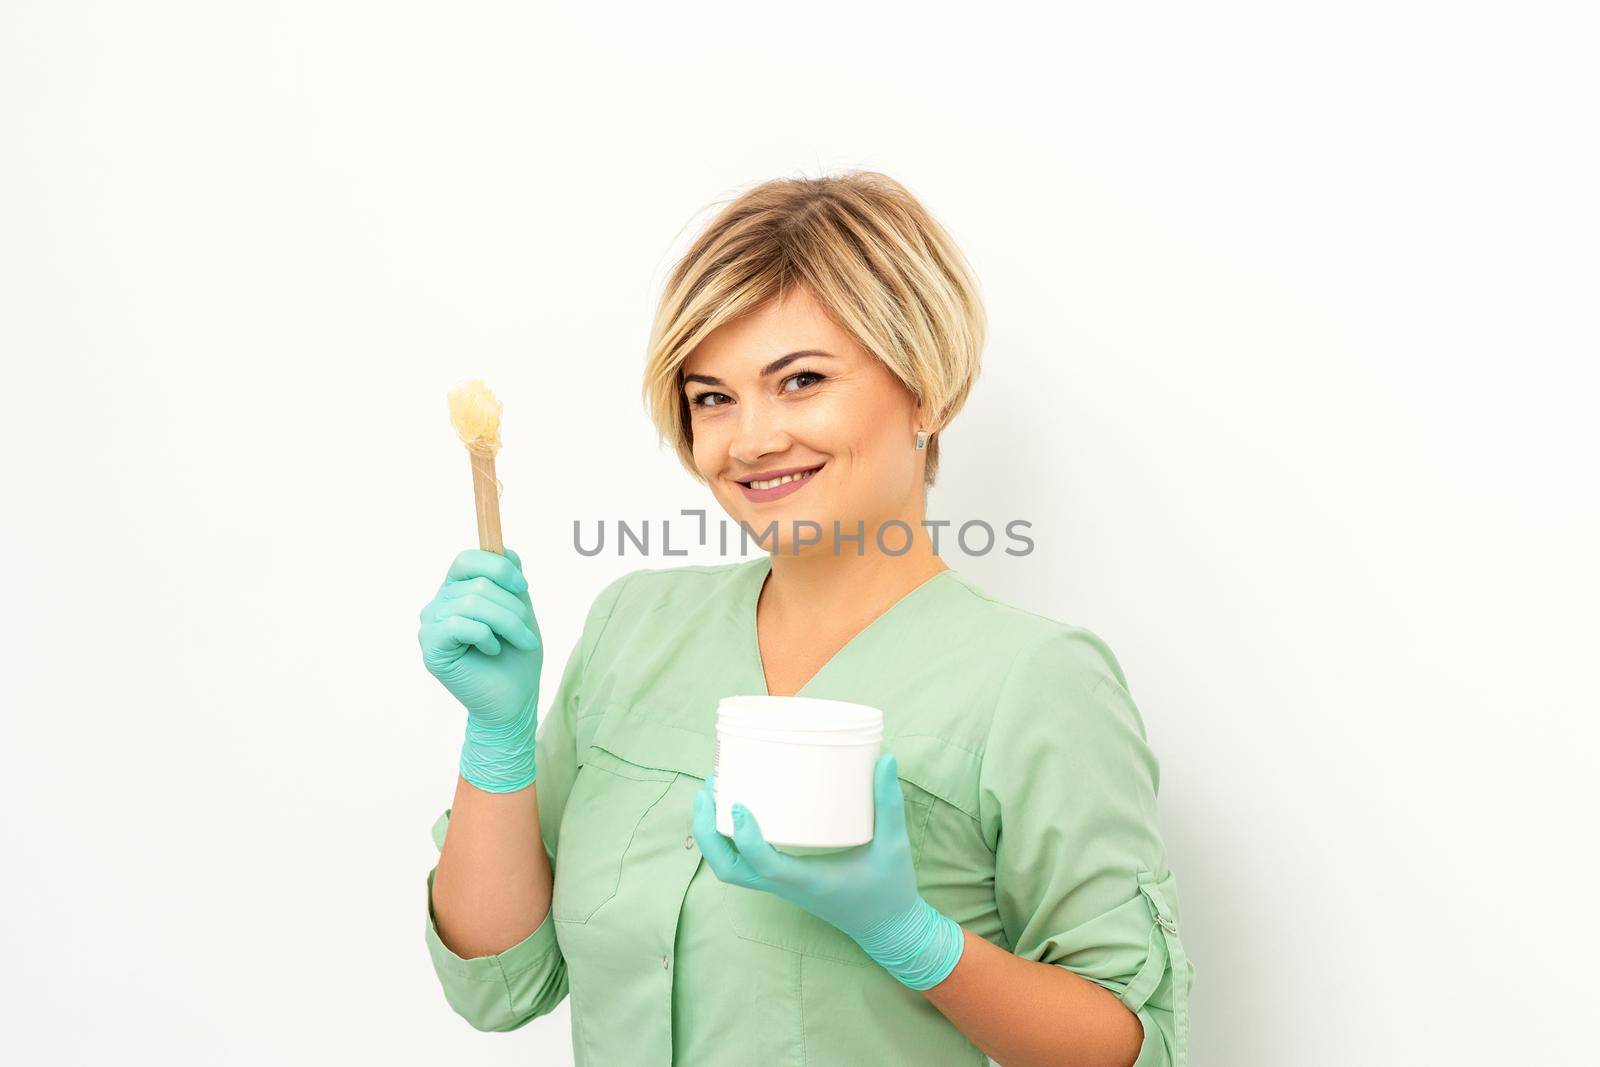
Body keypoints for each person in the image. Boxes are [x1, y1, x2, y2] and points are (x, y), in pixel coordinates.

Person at [416, 171, 1193, 1066]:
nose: (749, 440)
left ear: (928, 389)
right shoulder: (636, 628)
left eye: (801, 380)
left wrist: (913, 937)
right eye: (713, 397)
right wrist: (498, 735)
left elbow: (1135, 1045)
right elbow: (499, 979)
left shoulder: (1036, 683)